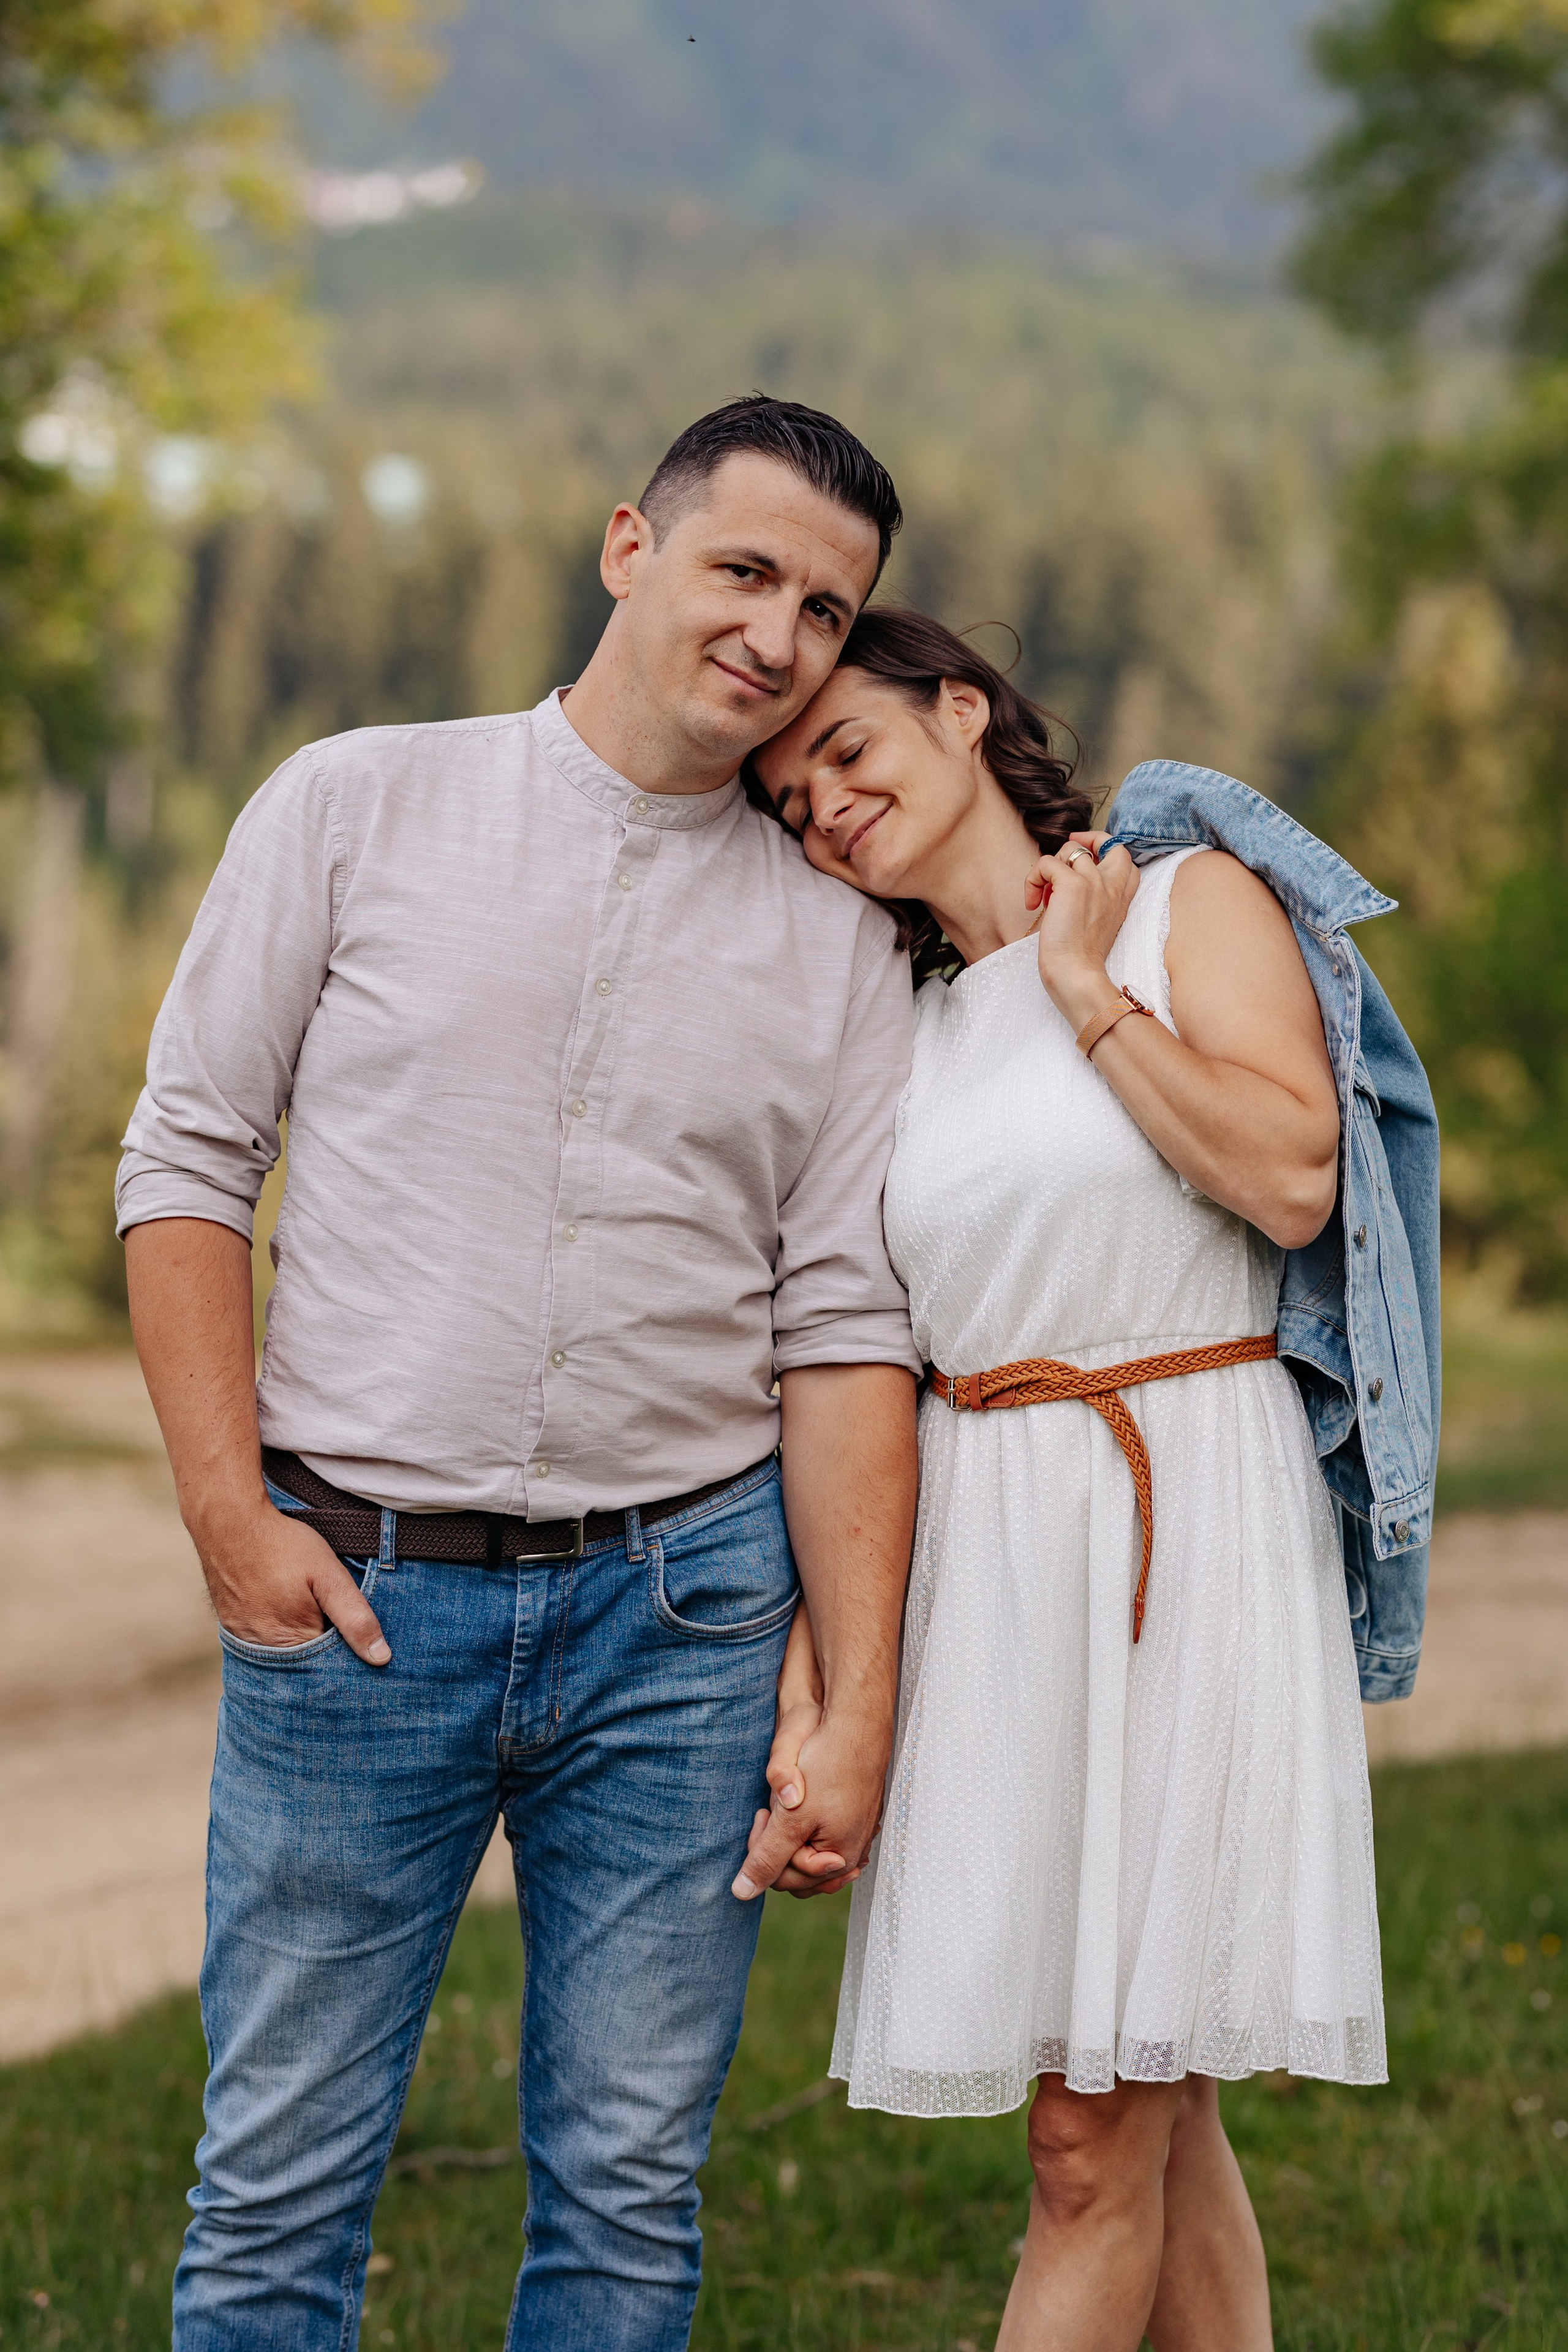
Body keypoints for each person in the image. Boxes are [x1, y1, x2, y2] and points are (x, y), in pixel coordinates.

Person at [115, 396, 923, 2352]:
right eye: (746, 570)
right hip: (353, 1606)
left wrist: (860, 1688)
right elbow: (189, 1158)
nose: (779, 634)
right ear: (627, 546)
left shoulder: (834, 933)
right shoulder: (356, 802)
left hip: (684, 1625)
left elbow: (843, 1326)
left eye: (827, 610)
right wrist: (234, 1523)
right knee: (278, 2196)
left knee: (631, 2203)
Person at [742, 605, 1394, 2352]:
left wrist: (1091, 992)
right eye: (793, 797)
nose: (824, 807)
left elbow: (1293, 1176)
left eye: (850, 754)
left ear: (962, 713)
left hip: (1183, 1529)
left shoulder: (1189, 906)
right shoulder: (907, 1027)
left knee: (1090, 2137)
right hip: (1001, 1562)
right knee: (1148, 2107)